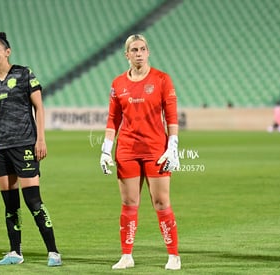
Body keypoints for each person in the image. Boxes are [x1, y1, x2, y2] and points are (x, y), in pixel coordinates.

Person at [0, 32, 62, 267]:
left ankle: (53, 252)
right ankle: (15, 251)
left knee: (33, 200)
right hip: (0, 148)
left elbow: (39, 107)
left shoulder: (24, 73)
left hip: (24, 144)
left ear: (7, 51)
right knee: (10, 204)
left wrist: (41, 139)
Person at [99, 34, 181, 270]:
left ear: (148, 52)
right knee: (129, 202)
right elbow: (113, 119)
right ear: (127, 55)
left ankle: (173, 255)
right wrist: (106, 149)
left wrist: (172, 145)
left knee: (162, 201)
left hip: (156, 148)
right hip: (126, 149)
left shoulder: (162, 79)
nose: (138, 53)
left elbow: (171, 115)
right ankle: (127, 255)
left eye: (142, 49)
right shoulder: (118, 84)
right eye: (134, 50)